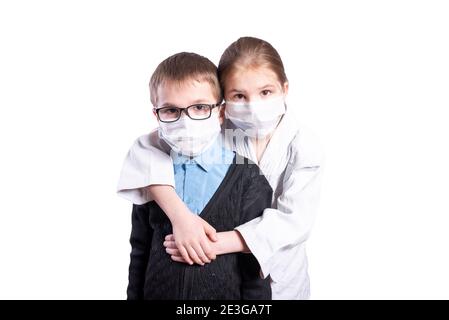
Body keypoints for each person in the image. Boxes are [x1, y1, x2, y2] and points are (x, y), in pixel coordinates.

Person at [118, 37, 324, 299]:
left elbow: (295, 221)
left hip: (283, 276)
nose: (253, 106)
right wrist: (182, 219)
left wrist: (208, 243)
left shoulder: (304, 145)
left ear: (285, 88)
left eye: (266, 92)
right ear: (223, 103)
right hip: (216, 283)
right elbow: (146, 152)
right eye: (239, 95)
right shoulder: (208, 130)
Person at [126, 52, 272, 300]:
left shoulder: (248, 178)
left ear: (220, 112)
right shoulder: (150, 175)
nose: (186, 122)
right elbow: (140, 251)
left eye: (200, 107)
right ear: (156, 115)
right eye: (171, 110)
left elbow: (255, 268)